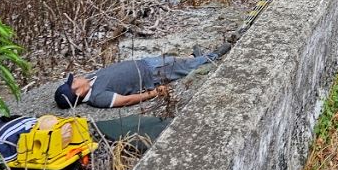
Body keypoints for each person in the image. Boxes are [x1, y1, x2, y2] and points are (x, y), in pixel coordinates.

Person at [54, 43, 232, 109]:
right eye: (73, 82)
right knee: (181, 67)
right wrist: (155, 93)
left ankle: (193, 57)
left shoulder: (90, 79)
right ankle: (211, 57)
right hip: (151, 74)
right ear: (77, 93)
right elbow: (126, 100)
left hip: (144, 63)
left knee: (175, 61)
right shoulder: (98, 97)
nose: (76, 78)